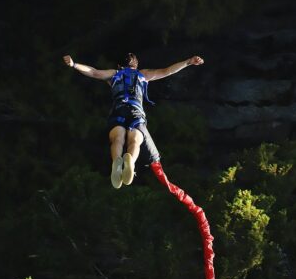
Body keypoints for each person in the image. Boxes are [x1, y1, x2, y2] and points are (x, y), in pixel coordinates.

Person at [63, 53, 204, 189]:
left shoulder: (114, 74)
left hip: (118, 110)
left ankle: (116, 160)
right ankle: (130, 159)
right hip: (136, 112)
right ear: (135, 65)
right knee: (135, 141)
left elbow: (93, 72)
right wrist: (188, 62)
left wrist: (74, 64)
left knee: (117, 139)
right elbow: (167, 71)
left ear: (120, 65)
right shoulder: (143, 74)